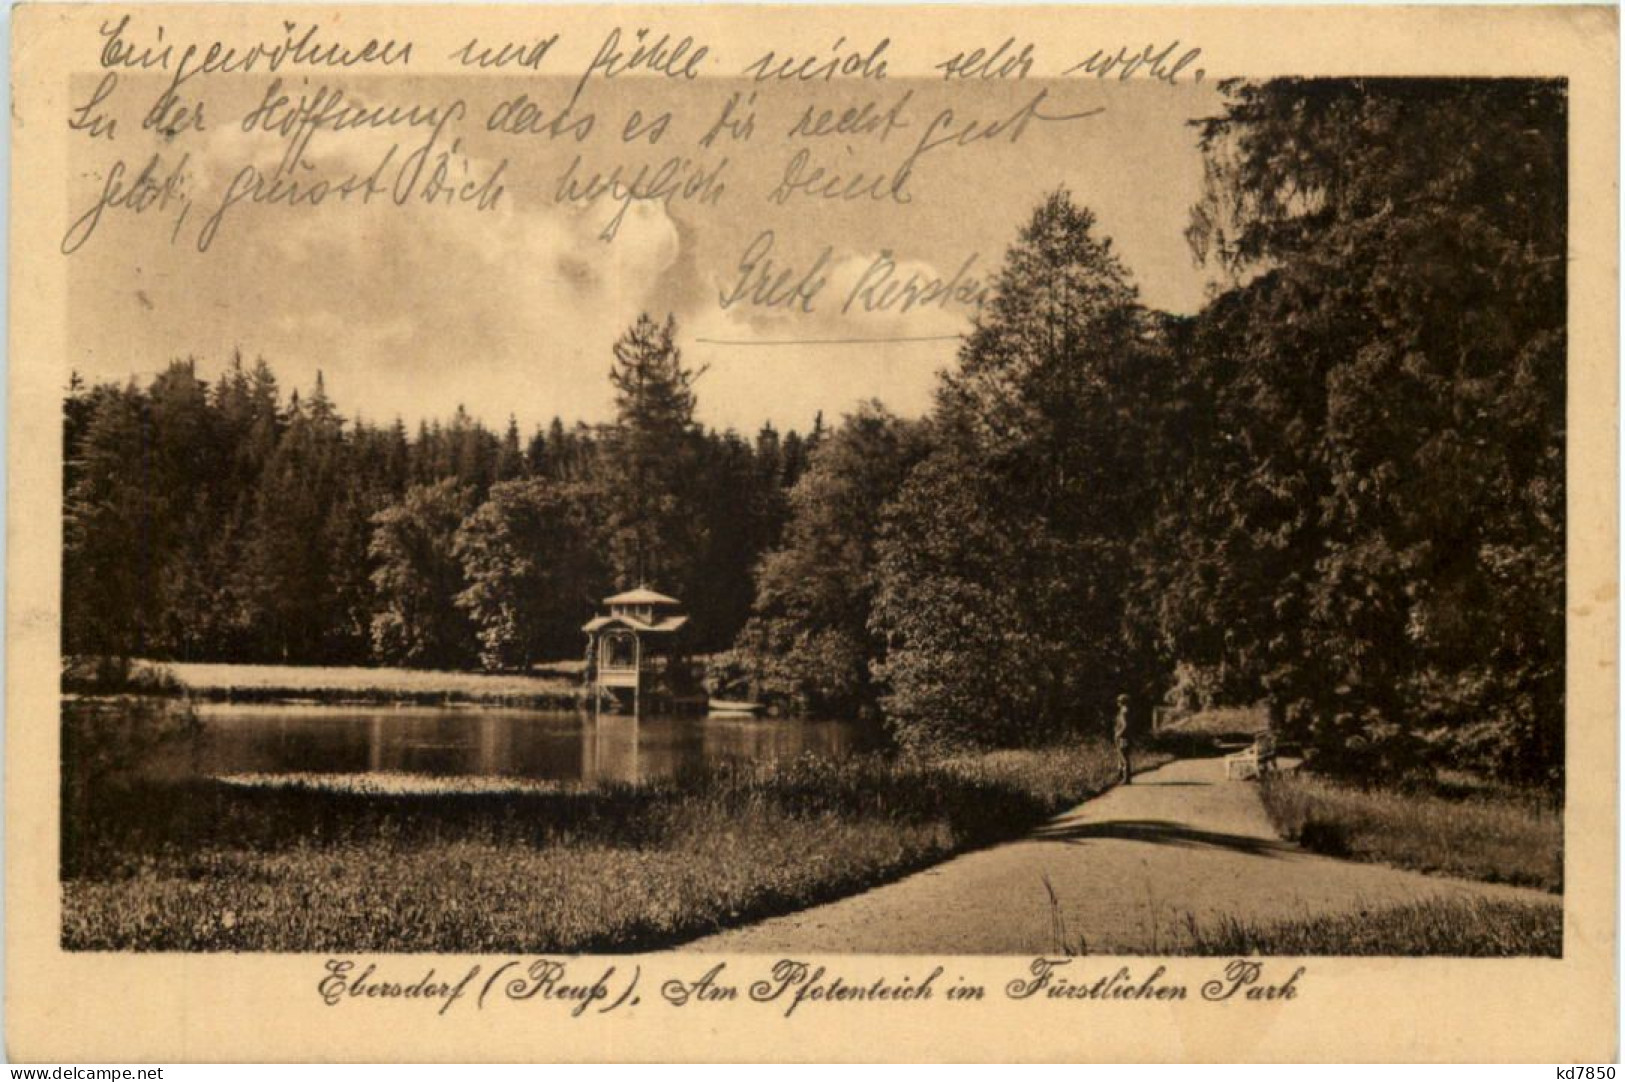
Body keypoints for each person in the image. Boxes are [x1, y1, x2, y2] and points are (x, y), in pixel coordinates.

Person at [1113, 693, 1133, 784]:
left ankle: (1126, 779)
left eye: (1119, 701)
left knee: (1123, 757)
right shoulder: (1127, 711)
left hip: (1123, 737)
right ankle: (1122, 777)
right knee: (1123, 756)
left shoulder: (1124, 712)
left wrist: (1118, 734)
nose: (1118, 703)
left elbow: (1125, 725)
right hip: (1126, 736)